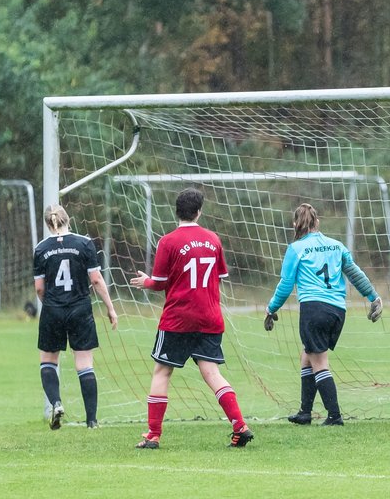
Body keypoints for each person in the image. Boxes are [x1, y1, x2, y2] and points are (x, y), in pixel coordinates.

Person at [130, 188, 252, 449]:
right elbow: (217, 276)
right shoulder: (213, 240)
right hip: (209, 317)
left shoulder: (168, 241)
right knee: (211, 372)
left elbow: (160, 283)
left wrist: (145, 281)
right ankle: (239, 425)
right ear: (199, 211)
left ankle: (153, 435)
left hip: (178, 319)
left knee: (162, 371)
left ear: (177, 211)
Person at [264, 203, 383, 426]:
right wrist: (373, 297)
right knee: (307, 355)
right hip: (337, 310)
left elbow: (286, 284)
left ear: (295, 225)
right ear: (317, 223)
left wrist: (271, 308)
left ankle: (334, 416)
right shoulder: (336, 246)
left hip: (313, 309)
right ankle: (304, 412)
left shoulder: (296, 249)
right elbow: (355, 274)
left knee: (319, 361)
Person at [32, 204, 119, 429]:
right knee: (84, 364)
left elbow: (39, 288)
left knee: (48, 361)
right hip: (80, 308)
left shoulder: (41, 248)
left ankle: (57, 402)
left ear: (47, 223)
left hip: (53, 309)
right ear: (67, 220)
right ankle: (91, 420)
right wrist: (110, 308)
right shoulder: (84, 243)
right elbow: (97, 280)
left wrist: (50, 306)